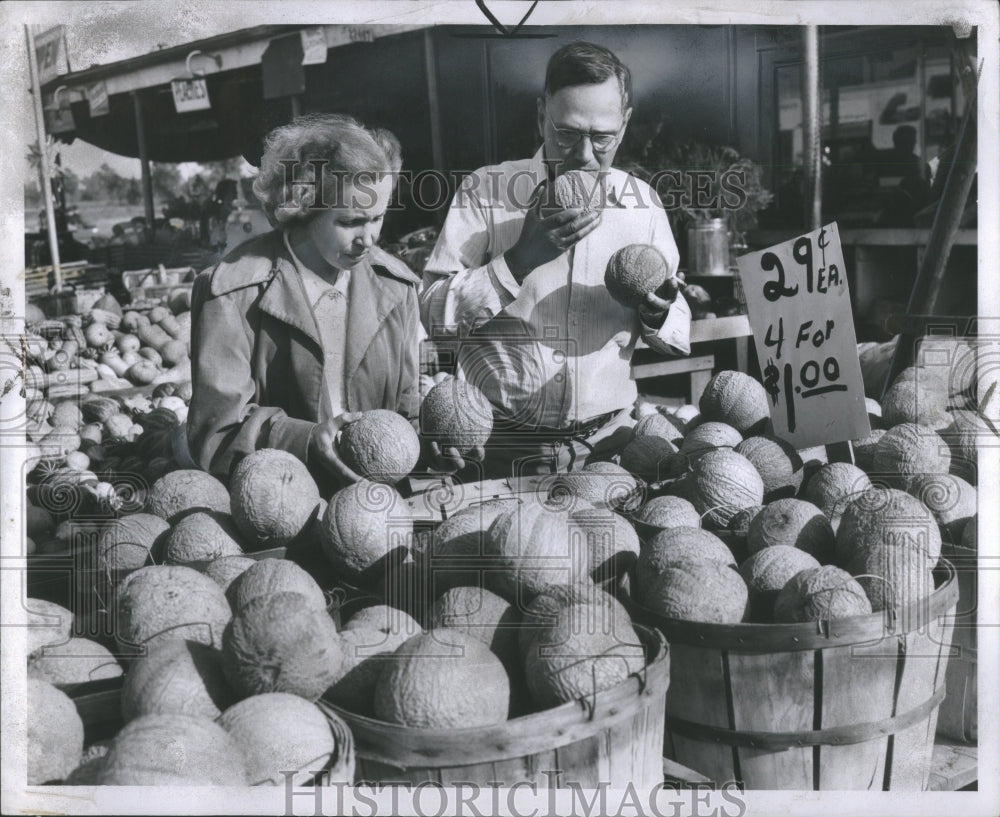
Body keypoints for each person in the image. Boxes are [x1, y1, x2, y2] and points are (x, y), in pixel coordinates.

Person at [420, 41, 689, 479]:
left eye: (601, 137)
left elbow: (677, 323)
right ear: (541, 112)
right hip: (498, 450)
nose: (583, 155)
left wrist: (658, 312)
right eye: (566, 133)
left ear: (624, 124)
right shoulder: (485, 192)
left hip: (611, 449)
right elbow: (430, 316)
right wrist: (519, 260)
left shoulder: (644, 206)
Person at [187, 113, 424, 491]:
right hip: (279, 509)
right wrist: (306, 441)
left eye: (378, 218)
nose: (370, 239)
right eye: (350, 222)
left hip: (380, 509)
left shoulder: (397, 288)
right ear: (303, 208)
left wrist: (431, 445)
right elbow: (215, 432)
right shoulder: (232, 292)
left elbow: (407, 403)